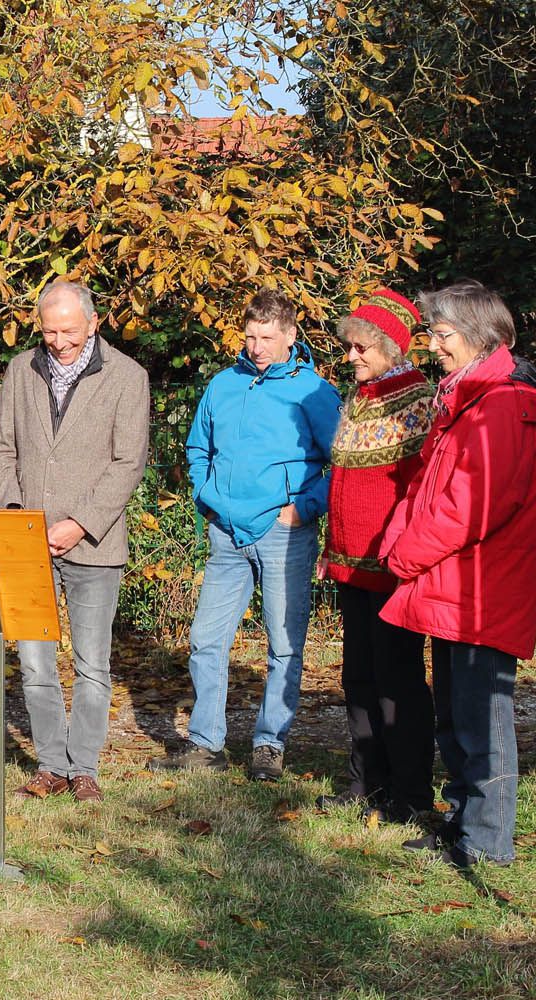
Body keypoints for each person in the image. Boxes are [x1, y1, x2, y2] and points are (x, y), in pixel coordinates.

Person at [379, 280, 536, 868]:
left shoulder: (502, 406)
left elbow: (472, 506)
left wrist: (407, 555)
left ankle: (485, 843)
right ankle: (464, 822)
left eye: (442, 334)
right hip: (452, 582)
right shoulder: (466, 400)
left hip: (480, 585)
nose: (433, 345)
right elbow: (426, 490)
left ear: (480, 338)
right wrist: (398, 541)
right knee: (456, 712)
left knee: (483, 718)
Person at [152, 290, 341, 781]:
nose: (257, 347)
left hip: (285, 534)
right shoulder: (223, 384)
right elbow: (198, 447)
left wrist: (303, 508)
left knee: (282, 643)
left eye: (268, 338)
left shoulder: (313, 391)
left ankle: (269, 745)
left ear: (290, 337)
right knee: (205, 640)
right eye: (251, 336)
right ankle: (206, 742)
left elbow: (342, 463)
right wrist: (208, 497)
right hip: (226, 533)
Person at [0, 280, 149, 803]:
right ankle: (50, 764)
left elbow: (129, 462)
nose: (58, 341)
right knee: (34, 662)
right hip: (27, 542)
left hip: (94, 544)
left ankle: (84, 767)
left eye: (69, 332)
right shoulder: (19, 371)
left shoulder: (128, 376)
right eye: (50, 331)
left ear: (93, 324)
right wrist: (15, 516)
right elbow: (2, 449)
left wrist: (80, 521)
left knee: (91, 663)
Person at [316, 289, 435, 822]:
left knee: (398, 682)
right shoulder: (360, 398)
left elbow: (418, 492)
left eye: (362, 347)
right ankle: (366, 781)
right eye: (351, 347)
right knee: (359, 677)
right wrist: (330, 548)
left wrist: (405, 558)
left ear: (392, 347)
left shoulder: (415, 402)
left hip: (391, 571)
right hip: (351, 567)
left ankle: (410, 793)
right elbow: (344, 482)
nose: (352, 356)